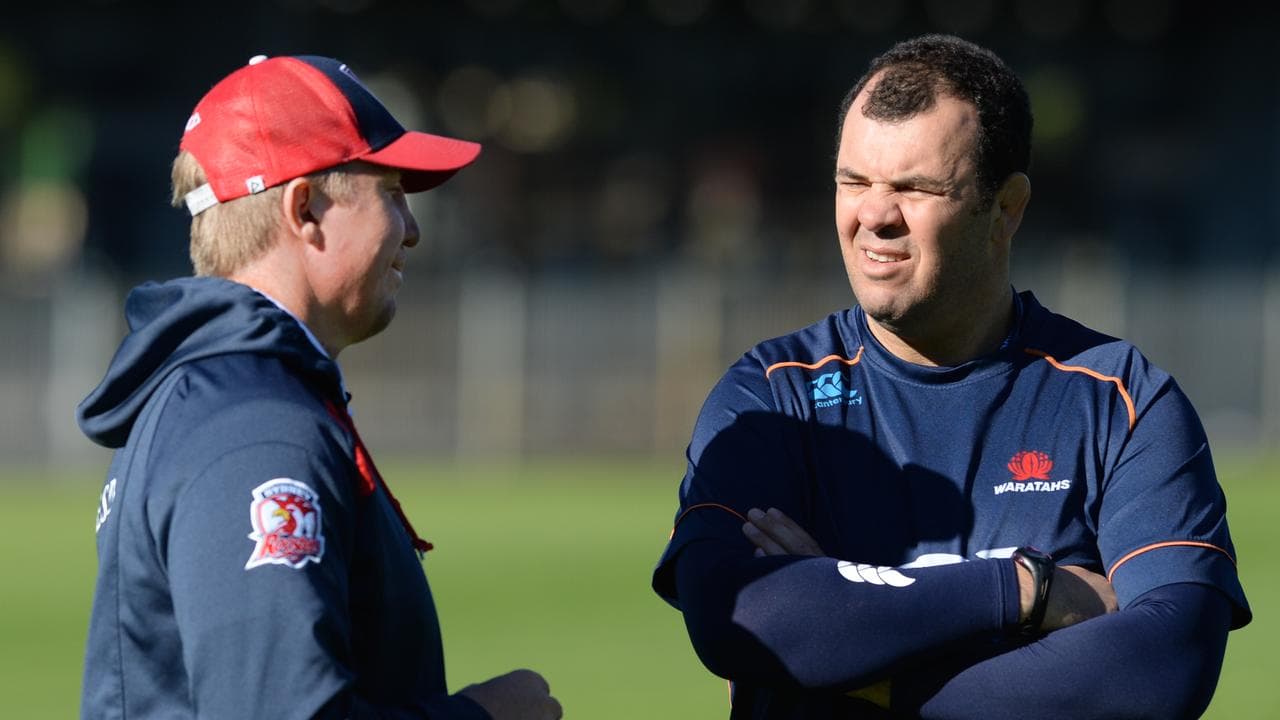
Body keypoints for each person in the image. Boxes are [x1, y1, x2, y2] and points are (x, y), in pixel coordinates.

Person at [652, 34, 1251, 719]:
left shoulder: (1121, 401)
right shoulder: (772, 396)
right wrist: (1027, 594)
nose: (873, 216)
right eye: (854, 181)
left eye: (915, 188)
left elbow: (1163, 667)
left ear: (1005, 209)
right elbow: (744, 619)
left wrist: (862, 670)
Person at [77, 55, 561, 720]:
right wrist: (484, 717)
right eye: (392, 191)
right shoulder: (253, 427)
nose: (413, 230)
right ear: (304, 208)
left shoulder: (228, 394)